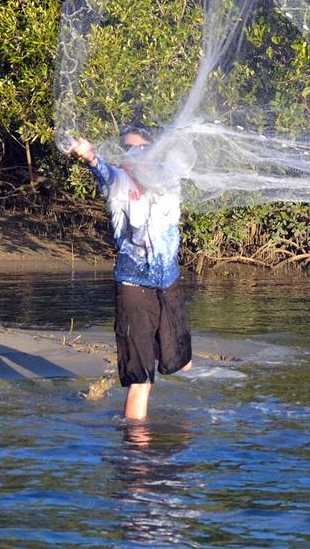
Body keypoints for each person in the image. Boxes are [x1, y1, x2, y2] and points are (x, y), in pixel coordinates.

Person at [67, 124, 192, 420]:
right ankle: (135, 457)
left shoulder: (168, 180)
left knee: (182, 363)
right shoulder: (119, 183)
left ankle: (148, 347)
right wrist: (89, 156)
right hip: (133, 284)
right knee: (141, 382)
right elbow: (103, 170)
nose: (134, 154)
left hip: (168, 282)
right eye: (128, 149)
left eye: (142, 148)